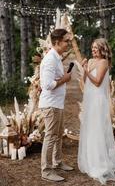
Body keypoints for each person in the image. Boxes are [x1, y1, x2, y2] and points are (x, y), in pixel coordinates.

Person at [78, 38, 115, 185]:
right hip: (90, 100)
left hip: (98, 101)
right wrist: (84, 68)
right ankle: (91, 161)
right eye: (92, 48)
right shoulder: (91, 61)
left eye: (96, 48)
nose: (93, 50)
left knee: (98, 130)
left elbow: (98, 82)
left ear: (102, 49)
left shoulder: (103, 62)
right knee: (90, 130)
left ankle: (100, 163)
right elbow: (86, 81)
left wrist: (87, 70)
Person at [39, 29, 73, 182]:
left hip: (57, 104)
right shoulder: (50, 59)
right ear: (57, 42)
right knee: (51, 137)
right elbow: (47, 85)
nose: (68, 43)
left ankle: (57, 163)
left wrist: (63, 78)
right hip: (50, 105)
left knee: (58, 135)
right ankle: (46, 171)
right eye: (66, 40)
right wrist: (64, 79)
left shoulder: (57, 57)